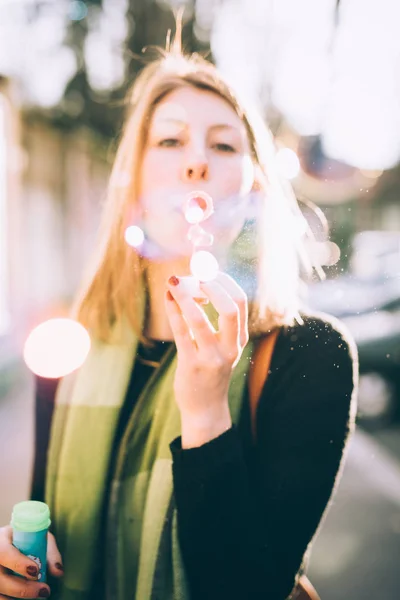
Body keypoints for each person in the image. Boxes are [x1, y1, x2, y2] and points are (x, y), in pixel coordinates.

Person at [0, 20, 358, 600]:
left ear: (255, 191)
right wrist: (17, 562)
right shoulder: (70, 340)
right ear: (133, 183)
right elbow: (42, 514)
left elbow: (249, 587)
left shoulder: (309, 355)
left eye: (223, 145)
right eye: (169, 141)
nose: (197, 163)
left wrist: (206, 410)